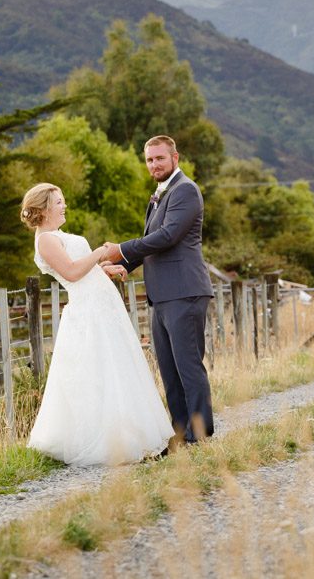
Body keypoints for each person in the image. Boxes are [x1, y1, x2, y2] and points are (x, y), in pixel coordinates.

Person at [20, 183, 174, 465]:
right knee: (100, 372)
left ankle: (132, 436)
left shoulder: (57, 236)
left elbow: (83, 270)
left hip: (102, 306)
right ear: (43, 209)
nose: (64, 206)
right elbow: (71, 273)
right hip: (89, 311)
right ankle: (106, 442)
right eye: (58, 202)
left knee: (116, 368)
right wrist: (101, 253)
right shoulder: (45, 240)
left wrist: (105, 268)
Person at [103, 135, 215, 448]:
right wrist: (123, 264)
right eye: (150, 160)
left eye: (160, 158)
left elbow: (168, 236)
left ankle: (199, 434)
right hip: (162, 295)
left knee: (188, 367)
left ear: (175, 158)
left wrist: (120, 249)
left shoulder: (185, 190)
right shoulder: (159, 195)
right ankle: (179, 435)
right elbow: (151, 244)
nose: (154, 164)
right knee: (168, 370)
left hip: (185, 291)